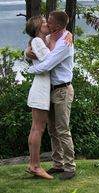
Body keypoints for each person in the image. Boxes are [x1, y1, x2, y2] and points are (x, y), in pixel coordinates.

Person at [27, 11, 76, 180]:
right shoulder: (51, 38)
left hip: (62, 89)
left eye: (49, 22)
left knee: (62, 130)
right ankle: (58, 164)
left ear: (57, 26)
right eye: (45, 22)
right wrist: (26, 52)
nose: (47, 24)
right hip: (51, 89)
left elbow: (47, 64)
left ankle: (70, 167)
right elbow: (34, 45)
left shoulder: (64, 43)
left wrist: (29, 70)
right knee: (53, 130)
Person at [25, 15, 57, 179]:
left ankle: (33, 164)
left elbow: (43, 57)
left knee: (36, 128)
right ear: (37, 26)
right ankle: (35, 166)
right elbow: (49, 60)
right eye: (44, 22)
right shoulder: (38, 41)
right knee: (38, 128)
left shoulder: (39, 42)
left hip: (41, 89)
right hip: (40, 90)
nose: (47, 24)